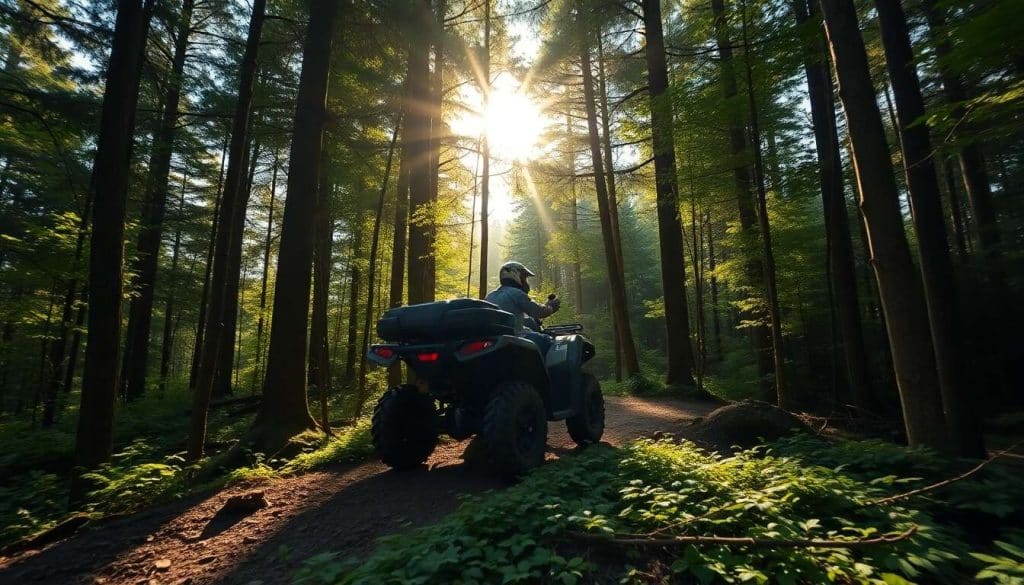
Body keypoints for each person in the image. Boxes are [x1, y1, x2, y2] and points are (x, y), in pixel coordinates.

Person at [485, 261, 560, 355]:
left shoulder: (491, 295)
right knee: (549, 342)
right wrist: (551, 306)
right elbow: (538, 311)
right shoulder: (516, 293)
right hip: (515, 337)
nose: (525, 281)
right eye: (524, 277)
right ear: (515, 275)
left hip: (495, 339)